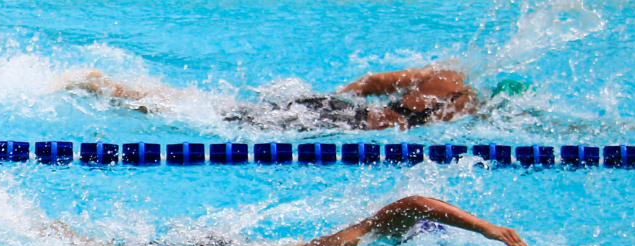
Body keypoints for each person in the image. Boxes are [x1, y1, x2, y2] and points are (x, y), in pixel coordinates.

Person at [54, 196, 525, 246]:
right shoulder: (368, 234)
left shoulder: (368, 243)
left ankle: (83, 245)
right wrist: (486, 228)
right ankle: (77, 245)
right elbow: (413, 203)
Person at [66, 66, 526, 131]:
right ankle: (112, 89)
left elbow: (368, 82)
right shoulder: (469, 104)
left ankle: (118, 88)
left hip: (337, 110)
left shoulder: (444, 74)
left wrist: (331, 99)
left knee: (230, 112)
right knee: (226, 119)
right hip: (343, 124)